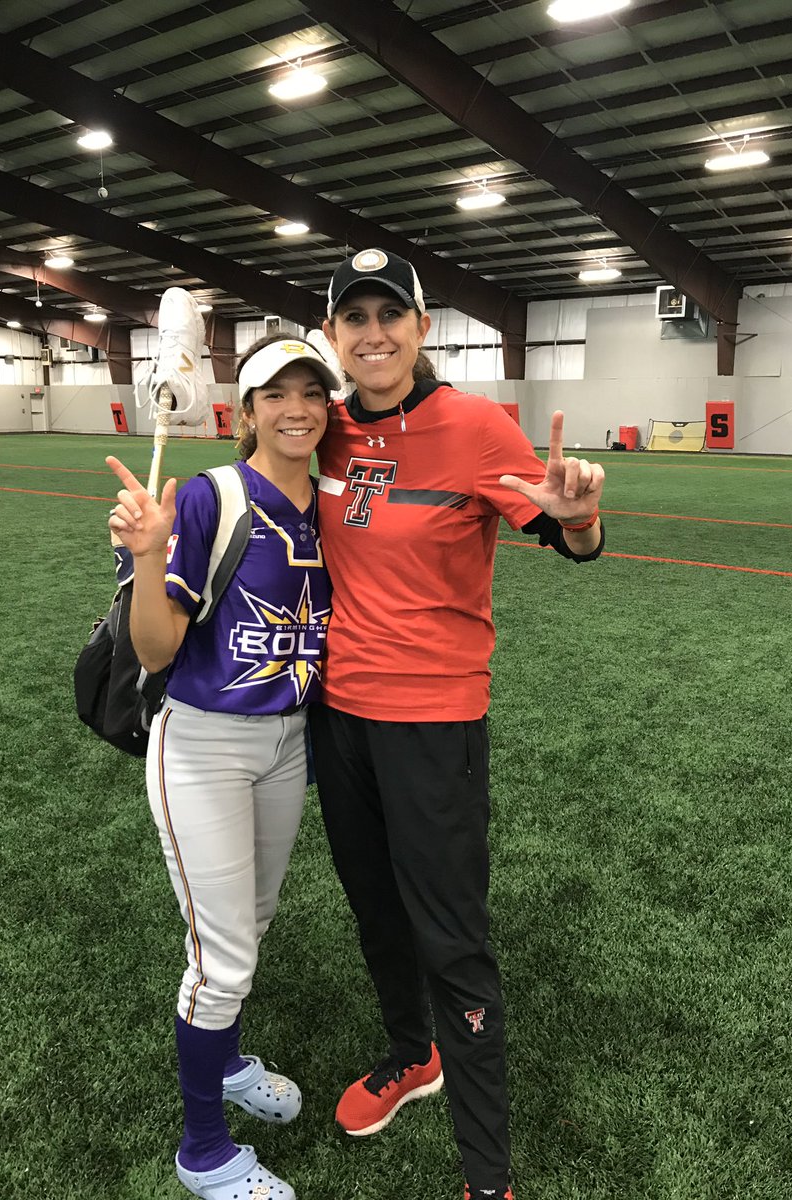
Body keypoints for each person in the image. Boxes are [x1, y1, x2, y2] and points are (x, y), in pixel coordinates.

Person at [308, 248, 606, 1200]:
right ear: (333, 338)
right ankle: (413, 1055)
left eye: (389, 315)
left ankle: (488, 1176)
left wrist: (578, 519)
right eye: (353, 319)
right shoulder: (325, 430)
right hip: (339, 717)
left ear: (423, 328)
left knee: (453, 936)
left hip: (433, 719)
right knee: (373, 905)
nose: (374, 334)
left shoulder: (476, 427)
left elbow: (564, 537)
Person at [106, 331, 340, 1200]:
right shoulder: (213, 496)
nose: (296, 410)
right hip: (204, 742)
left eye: (312, 394)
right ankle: (202, 1150)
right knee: (222, 957)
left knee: (253, 920)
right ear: (246, 413)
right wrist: (148, 556)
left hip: (287, 744)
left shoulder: (330, 501)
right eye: (276, 395)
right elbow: (158, 650)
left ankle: (230, 1057)